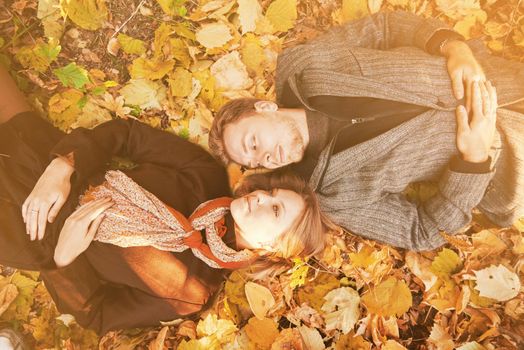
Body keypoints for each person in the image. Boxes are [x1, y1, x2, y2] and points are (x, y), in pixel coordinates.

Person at [0, 67, 329, 335]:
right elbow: (129, 136)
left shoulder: (191, 293)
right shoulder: (207, 176)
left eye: (274, 210)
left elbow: (97, 315)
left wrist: (63, 259)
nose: (259, 196)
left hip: (29, 234)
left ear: (270, 251)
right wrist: (65, 164)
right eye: (270, 193)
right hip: (48, 166)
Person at [208, 11, 524, 251]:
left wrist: (453, 47)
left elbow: (385, 27)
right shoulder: (332, 197)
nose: (263, 156)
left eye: (252, 142)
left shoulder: (302, 66)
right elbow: (422, 231)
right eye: (255, 161)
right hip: (512, 162)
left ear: (264, 108)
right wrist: (474, 160)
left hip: (506, 79)